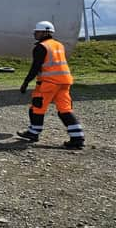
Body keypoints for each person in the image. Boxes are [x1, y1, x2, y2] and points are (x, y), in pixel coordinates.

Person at [17, 21, 85, 149]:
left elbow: (35, 66)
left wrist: (26, 82)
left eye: (37, 31)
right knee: (65, 110)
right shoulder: (59, 45)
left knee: (37, 107)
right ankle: (78, 138)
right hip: (65, 82)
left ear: (45, 32)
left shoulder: (41, 47)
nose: (34, 33)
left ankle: (33, 133)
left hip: (49, 83)